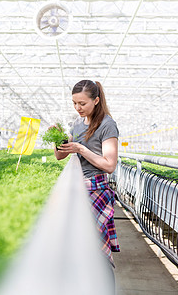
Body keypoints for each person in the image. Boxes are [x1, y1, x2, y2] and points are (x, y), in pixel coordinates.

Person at [54, 79, 120, 268]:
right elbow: (60, 155)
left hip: (96, 190)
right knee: (79, 247)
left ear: (96, 101)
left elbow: (109, 165)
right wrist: (57, 139)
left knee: (96, 250)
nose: (77, 107)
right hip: (77, 187)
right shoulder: (77, 124)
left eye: (82, 103)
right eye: (74, 103)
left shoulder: (107, 125)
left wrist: (81, 149)